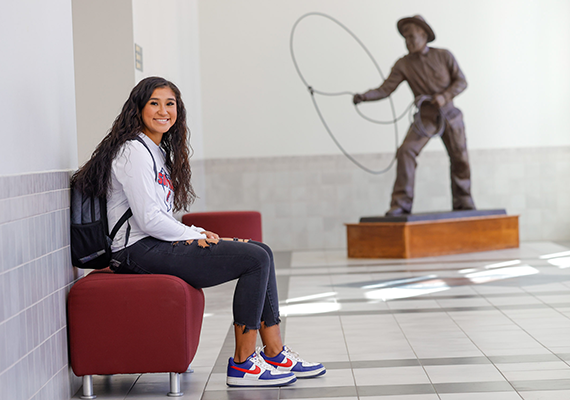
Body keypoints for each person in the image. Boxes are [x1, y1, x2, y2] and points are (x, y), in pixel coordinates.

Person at [71, 77, 325, 387]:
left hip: (152, 246)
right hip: (135, 251)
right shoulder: (132, 151)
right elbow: (149, 220)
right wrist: (192, 233)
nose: (163, 110)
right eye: (154, 103)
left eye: (170, 104)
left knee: (262, 251)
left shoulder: (155, 150)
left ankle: (274, 352)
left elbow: (158, 217)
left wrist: (194, 232)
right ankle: (243, 365)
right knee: (254, 259)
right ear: (137, 109)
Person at [353, 15, 476, 215]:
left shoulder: (444, 56)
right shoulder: (403, 64)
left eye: (411, 37)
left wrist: (444, 96)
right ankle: (401, 204)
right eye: (405, 38)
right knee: (406, 151)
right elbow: (385, 89)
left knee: (460, 157)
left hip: (450, 114)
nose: (408, 42)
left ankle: (464, 201)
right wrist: (364, 97)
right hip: (425, 118)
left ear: (424, 35)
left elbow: (461, 82)